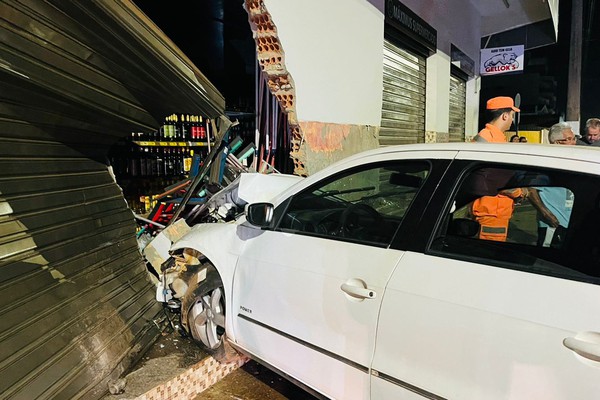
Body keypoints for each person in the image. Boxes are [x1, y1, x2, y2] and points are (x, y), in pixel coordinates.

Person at [471, 96, 526, 241]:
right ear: (504, 115)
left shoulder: (491, 138)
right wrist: (519, 193)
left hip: (492, 210)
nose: (512, 120)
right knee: (489, 256)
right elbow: (497, 180)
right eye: (512, 116)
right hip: (492, 213)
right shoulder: (490, 141)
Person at [528, 122, 575, 247]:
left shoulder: (573, 162)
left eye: (574, 138)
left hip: (569, 224)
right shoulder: (546, 164)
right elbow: (531, 191)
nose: (574, 142)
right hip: (552, 225)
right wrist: (547, 215)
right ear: (557, 142)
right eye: (569, 139)